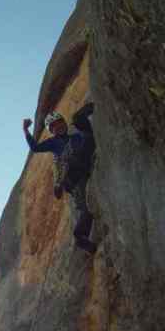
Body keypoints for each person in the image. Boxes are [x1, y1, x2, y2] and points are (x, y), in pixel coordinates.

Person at [22, 103, 97, 254]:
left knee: (79, 123)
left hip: (84, 164)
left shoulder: (75, 136)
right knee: (86, 209)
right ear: (51, 131)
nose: (59, 127)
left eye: (60, 123)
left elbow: (89, 141)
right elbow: (35, 148)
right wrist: (26, 130)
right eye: (54, 126)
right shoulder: (53, 143)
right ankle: (80, 237)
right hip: (74, 176)